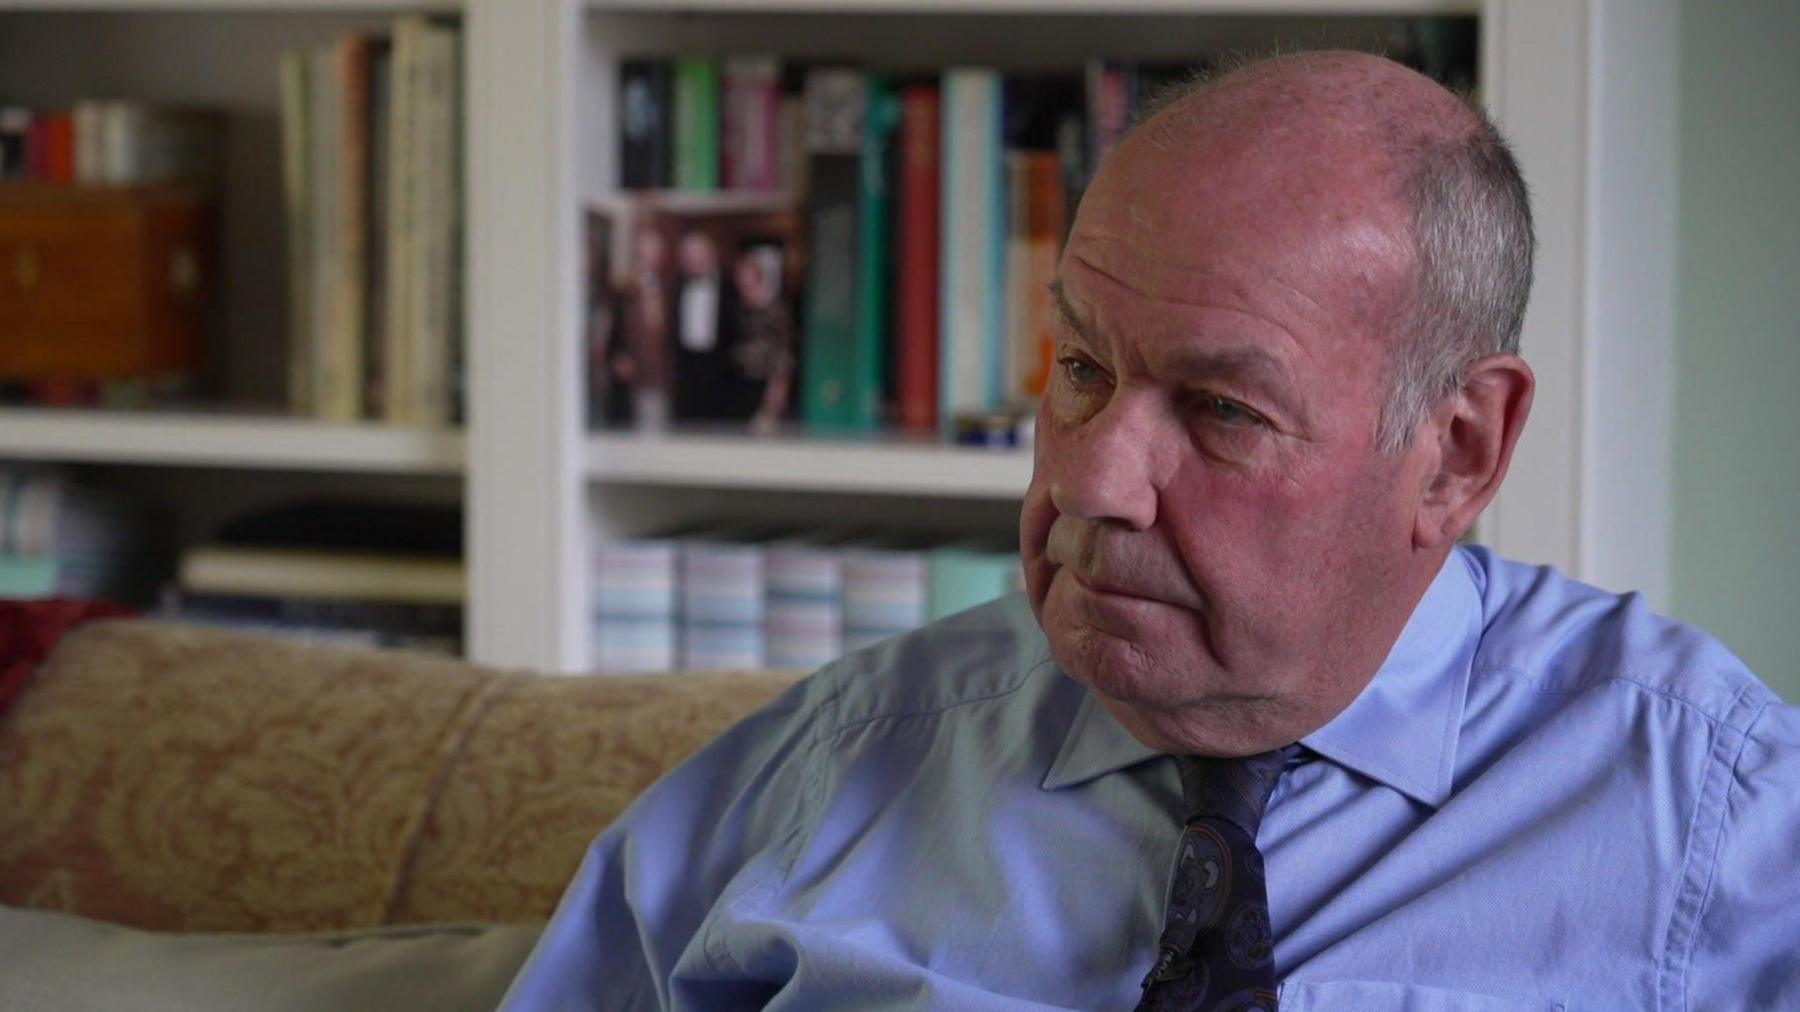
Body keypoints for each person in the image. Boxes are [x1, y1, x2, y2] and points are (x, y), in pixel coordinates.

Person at [502, 51, 1798, 1011]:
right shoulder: (835, 769)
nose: (1097, 482)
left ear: (1456, 453)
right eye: (1080, 370)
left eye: (1224, 410)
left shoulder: (1713, 824)